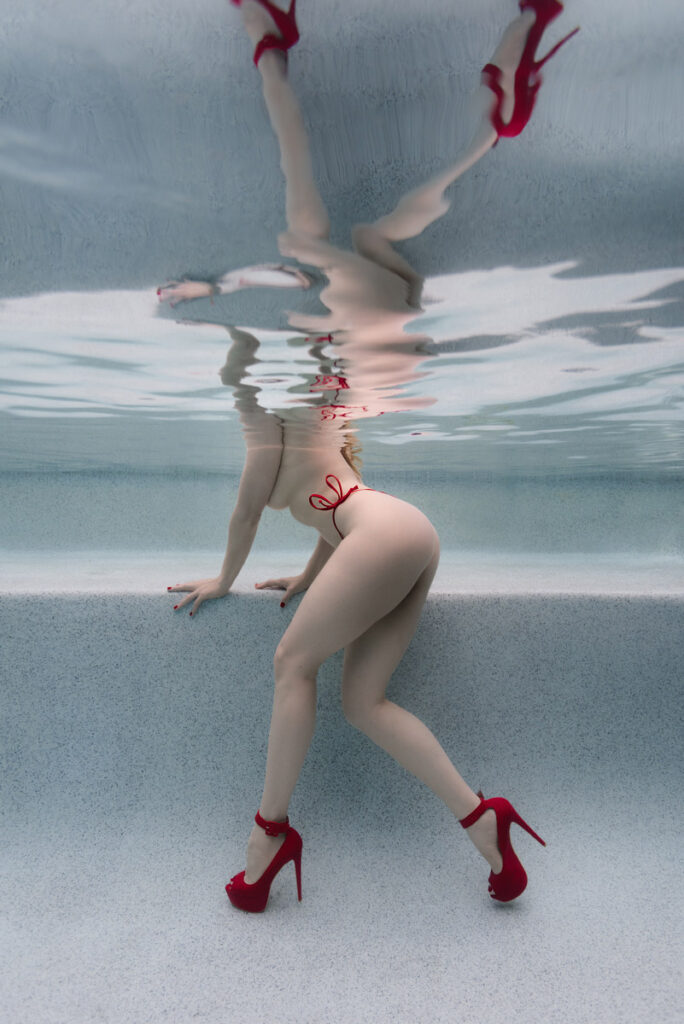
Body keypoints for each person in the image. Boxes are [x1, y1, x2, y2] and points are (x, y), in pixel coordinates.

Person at [166, 0, 579, 911]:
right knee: (364, 706)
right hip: (401, 535)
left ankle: (268, 842)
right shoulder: (320, 439)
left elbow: (245, 513)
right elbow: (339, 523)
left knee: (289, 667)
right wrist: (308, 579)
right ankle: (486, 826)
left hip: (385, 537)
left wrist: (226, 580)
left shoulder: (266, 450)